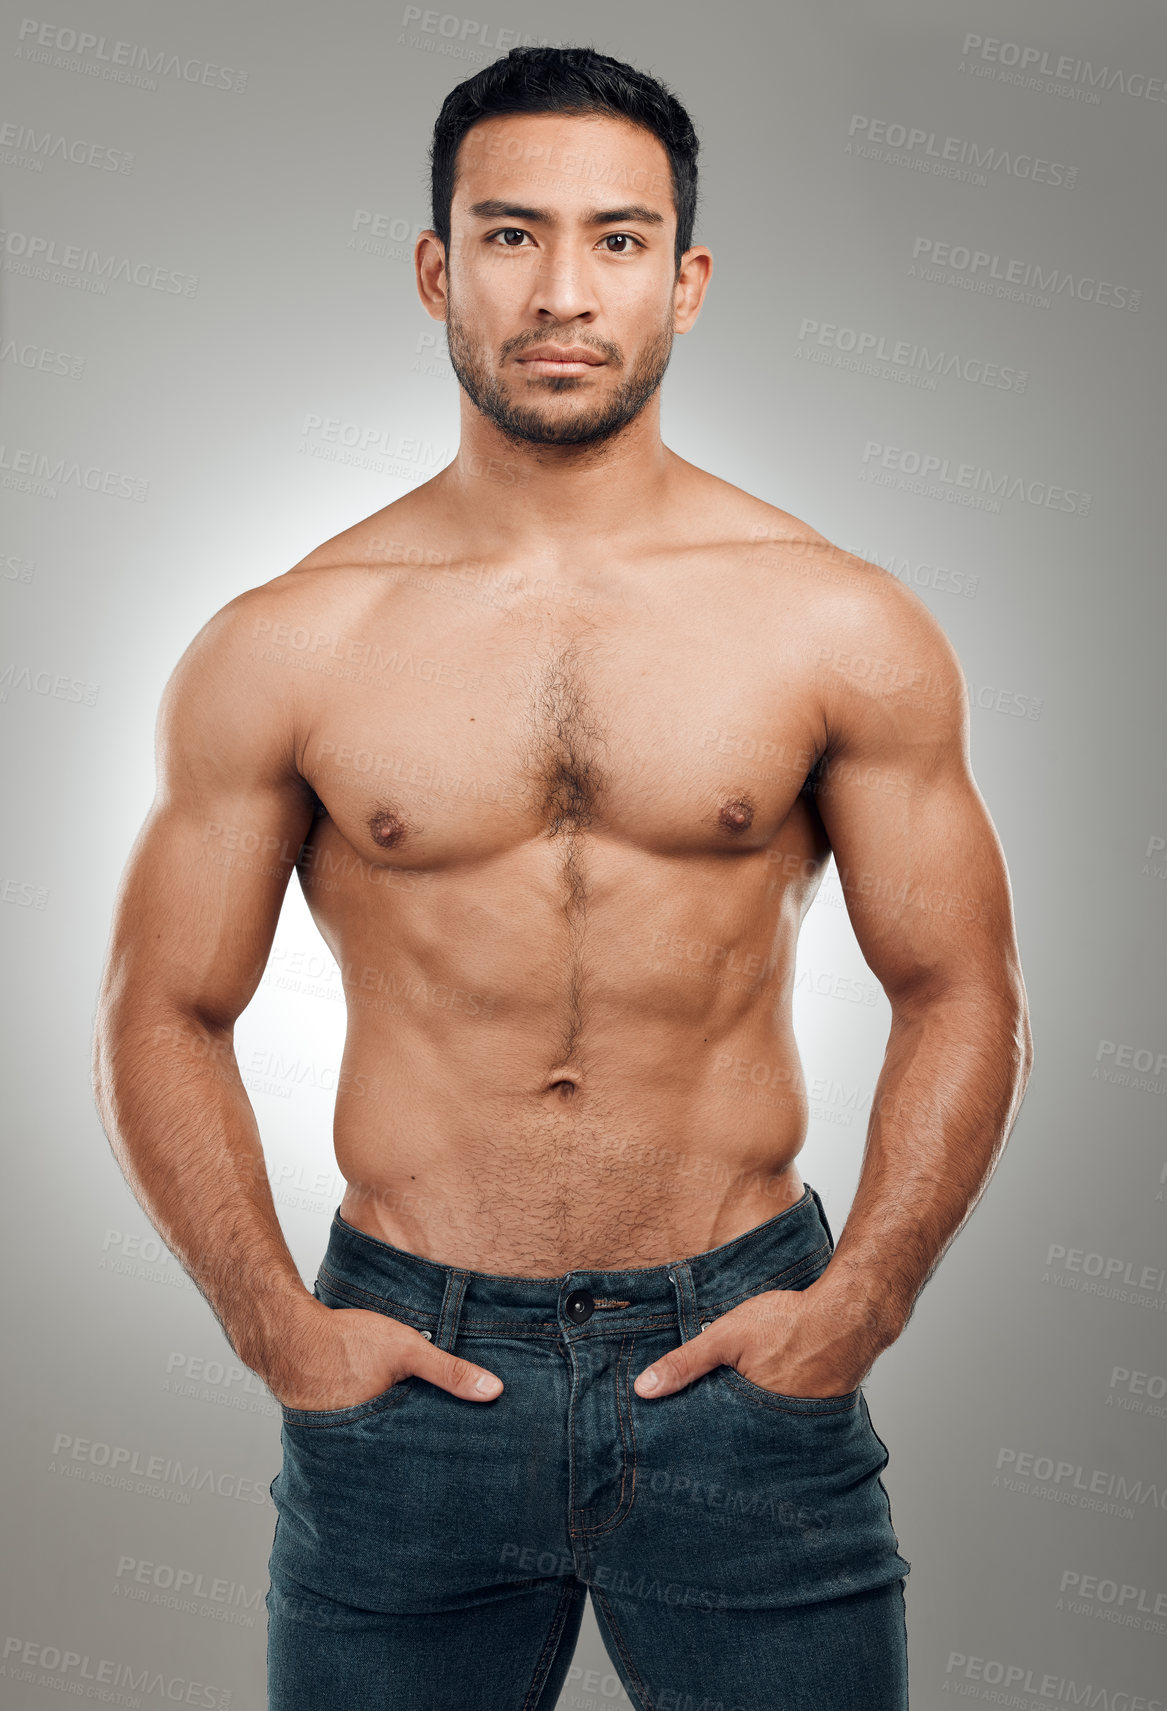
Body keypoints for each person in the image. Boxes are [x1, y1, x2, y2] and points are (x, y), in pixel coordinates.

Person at [91, 44, 1032, 1711]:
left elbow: (960, 987)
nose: (563, 291)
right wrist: (274, 1327)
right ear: (439, 270)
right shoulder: (286, 642)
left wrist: (861, 1302)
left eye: (616, 239)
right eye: (512, 236)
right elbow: (161, 1006)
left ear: (687, 280)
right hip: (404, 1381)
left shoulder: (840, 623)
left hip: (747, 1365)